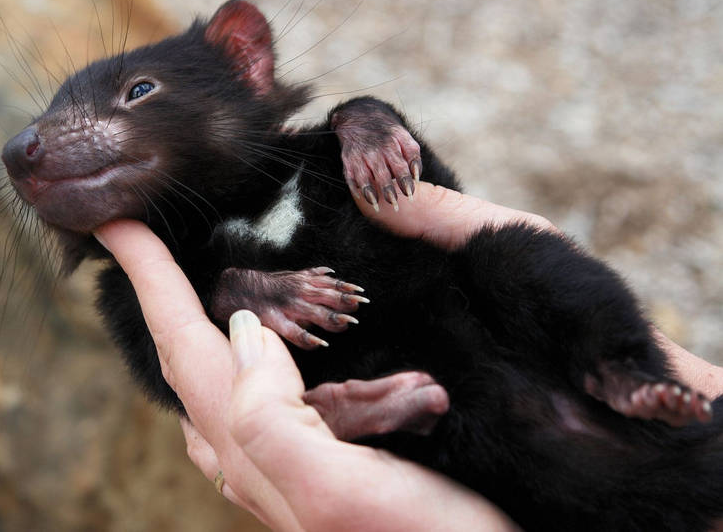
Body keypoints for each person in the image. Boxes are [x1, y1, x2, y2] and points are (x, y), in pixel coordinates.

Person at [95, 181, 723, 531]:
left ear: (246, 59)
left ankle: (617, 369)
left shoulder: (319, 146)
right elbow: (176, 375)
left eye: (139, 93)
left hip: (525, 339)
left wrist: (368, 123)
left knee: (510, 254)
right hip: (475, 419)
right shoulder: (128, 289)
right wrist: (228, 292)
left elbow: (426, 193)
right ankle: (381, 416)